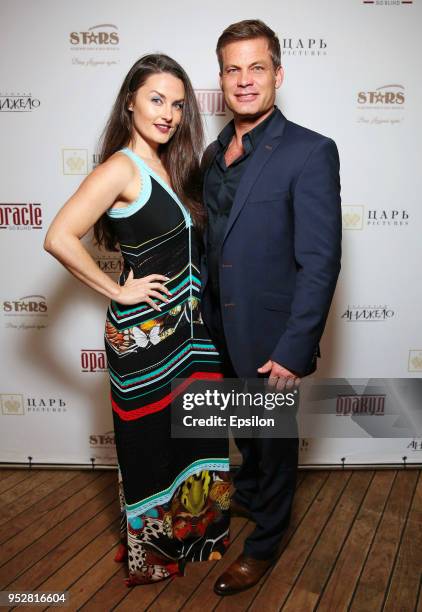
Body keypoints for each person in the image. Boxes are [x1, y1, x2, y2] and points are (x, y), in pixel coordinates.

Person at [44, 54, 231, 587]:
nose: (168, 113)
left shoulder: (173, 165)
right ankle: (153, 554)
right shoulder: (121, 167)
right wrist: (117, 290)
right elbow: (58, 236)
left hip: (194, 333)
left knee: (199, 433)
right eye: (156, 99)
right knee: (150, 445)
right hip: (144, 338)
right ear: (130, 100)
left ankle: (197, 541)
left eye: (177, 104)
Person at [200, 20, 342, 595]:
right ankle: (253, 497)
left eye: (256, 67)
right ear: (222, 80)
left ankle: (265, 543)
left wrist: (293, 349)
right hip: (218, 327)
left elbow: (320, 261)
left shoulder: (310, 151)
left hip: (272, 334)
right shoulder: (213, 152)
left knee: (275, 441)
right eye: (233, 69)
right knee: (245, 431)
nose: (245, 80)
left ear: (278, 74)